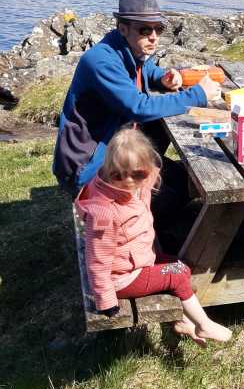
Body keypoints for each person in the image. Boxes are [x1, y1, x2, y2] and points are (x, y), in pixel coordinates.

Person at [53, 0, 222, 196]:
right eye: (145, 29)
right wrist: (198, 94)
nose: (154, 36)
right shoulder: (101, 60)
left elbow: (147, 69)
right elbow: (139, 107)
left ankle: (151, 176)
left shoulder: (128, 48)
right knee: (176, 194)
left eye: (158, 29)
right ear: (123, 28)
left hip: (116, 145)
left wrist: (162, 78)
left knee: (183, 180)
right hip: (89, 168)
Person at [75, 128, 232, 344]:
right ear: (110, 170)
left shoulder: (138, 181)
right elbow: (97, 260)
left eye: (138, 174)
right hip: (122, 278)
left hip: (138, 258)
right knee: (176, 274)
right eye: (119, 175)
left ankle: (183, 320)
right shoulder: (104, 213)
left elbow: (151, 174)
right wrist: (106, 299)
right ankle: (204, 325)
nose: (129, 181)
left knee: (181, 265)